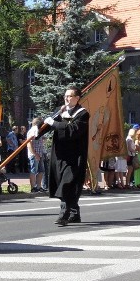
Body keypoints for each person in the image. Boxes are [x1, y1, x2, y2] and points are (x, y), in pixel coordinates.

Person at [44, 86, 90, 226]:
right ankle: (75, 214)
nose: (66, 98)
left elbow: (72, 130)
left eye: (70, 96)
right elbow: (47, 124)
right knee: (61, 182)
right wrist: (38, 129)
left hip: (74, 155)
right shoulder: (61, 110)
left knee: (67, 184)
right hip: (59, 154)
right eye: (66, 95)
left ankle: (63, 215)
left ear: (77, 98)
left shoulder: (83, 114)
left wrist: (55, 123)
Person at [26, 117, 46, 193]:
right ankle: (33, 187)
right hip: (34, 154)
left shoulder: (39, 131)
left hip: (40, 153)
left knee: (41, 170)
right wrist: (34, 154)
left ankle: (38, 186)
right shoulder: (32, 131)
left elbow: (42, 139)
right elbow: (29, 144)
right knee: (33, 170)